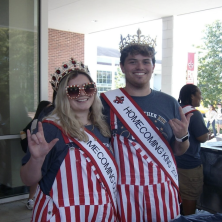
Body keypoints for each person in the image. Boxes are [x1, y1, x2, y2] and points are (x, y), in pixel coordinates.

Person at [101, 29, 192, 221]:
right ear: (122, 67)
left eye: (145, 61)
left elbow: (180, 150)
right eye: (132, 61)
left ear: (152, 66)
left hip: (162, 188)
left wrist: (182, 137)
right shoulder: (106, 103)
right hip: (123, 191)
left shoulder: (169, 103)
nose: (139, 66)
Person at [20, 58, 118, 221]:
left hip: (101, 215)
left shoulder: (103, 127)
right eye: (73, 90)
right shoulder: (50, 129)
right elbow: (27, 179)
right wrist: (36, 160)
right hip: (61, 215)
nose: (82, 94)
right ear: (62, 96)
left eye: (88, 88)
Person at [176, 84, 209, 215]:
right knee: (189, 198)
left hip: (174, 163)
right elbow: (202, 137)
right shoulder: (193, 113)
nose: (201, 97)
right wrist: (207, 135)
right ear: (192, 96)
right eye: (199, 94)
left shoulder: (176, 110)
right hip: (189, 165)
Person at [20, 100, 51, 210]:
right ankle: (31, 199)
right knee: (36, 178)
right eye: (48, 107)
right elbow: (23, 132)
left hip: (43, 151)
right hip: (38, 152)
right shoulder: (39, 122)